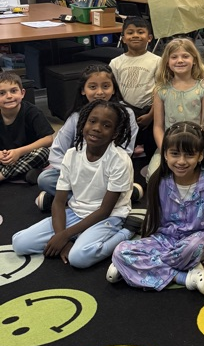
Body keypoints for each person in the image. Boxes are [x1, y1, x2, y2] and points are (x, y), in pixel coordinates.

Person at [108, 122, 204, 295]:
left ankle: (136, 268)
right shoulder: (159, 181)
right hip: (164, 240)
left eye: (189, 155)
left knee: (193, 247)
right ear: (165, 154)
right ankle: (184, 277)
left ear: (201, 155)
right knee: (121, 251)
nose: (181, 161)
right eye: (174, 154)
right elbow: (153, 219)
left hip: (197, 240)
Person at [12, 100, 134, 268]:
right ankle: (78, 237)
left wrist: (64, 235)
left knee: (79, 258)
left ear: (115, 133)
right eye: (92, 121)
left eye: (106, 125)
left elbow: (105, 210)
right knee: (19, 243)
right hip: (76, 212)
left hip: (107, 216)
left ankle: (127, 232)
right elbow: (59, 201)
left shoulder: (119, 160)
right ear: (83, 123)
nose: (97, 128)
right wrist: (62, 238)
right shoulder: (72, 154)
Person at [35, 64, 138, 211]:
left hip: (107, 174)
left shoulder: (126, 114)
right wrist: (73, 171)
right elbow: (57, 151)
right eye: (93, 87)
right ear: (83, 90)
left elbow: (126, 151)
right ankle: (110, 202)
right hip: (78, 174)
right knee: (45, 179)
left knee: (114, 182)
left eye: (106, 86)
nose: (100, 92)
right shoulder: (76, 116)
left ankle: (64, 199)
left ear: (114, 88)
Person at [146, 38, 204, 178]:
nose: (180, 60)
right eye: (174, 57)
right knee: (154, 176)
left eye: (185, 56)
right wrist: (165, 150)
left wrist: (198, 148)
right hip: (169, 146)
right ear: (167, 62)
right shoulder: (160, 90)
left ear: (194, 60)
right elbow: (158, 126)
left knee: (201, 176)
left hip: (196, 145)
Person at [110, 15, 160, 160]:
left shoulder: (157, 61)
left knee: (151, 147)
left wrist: (151, 115)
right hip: (124, 113)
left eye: (140, 32)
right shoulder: (115, 63)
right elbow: (114, 91)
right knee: (124, 148)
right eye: (130, 33)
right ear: (124, 38)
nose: (135, 36)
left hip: (149, 112)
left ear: (149, 37)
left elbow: (161, 91)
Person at [0, 70, 53, 183]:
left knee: (44, 153)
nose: (9, 96)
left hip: (27, 154)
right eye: (2, 93)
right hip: (4, 157)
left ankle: (3, 175)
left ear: (22, 93)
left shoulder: (32, 111)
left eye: (13, 91)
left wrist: (19, 152)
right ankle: (22, 173)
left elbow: (48, 139)